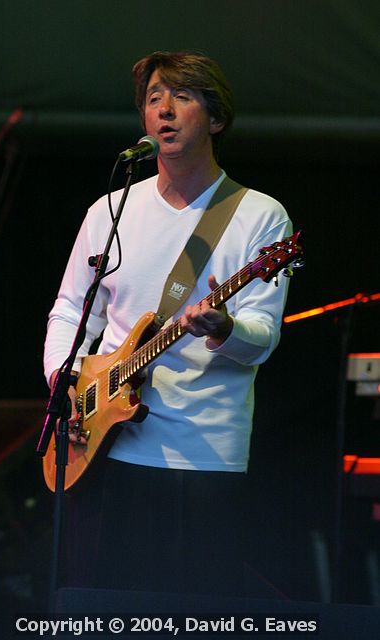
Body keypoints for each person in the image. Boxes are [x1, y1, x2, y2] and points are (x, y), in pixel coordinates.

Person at [44, 51, 292, 597]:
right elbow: (69, 310)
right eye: (154, 98)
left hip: (203, 455)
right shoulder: (110, 210)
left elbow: (263, 339)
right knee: (98, 610)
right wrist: (64, 384)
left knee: (192, 613)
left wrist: (223, 328)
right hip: (104, 447)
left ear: (216, 118)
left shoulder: (259, 216)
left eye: (182, 96)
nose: (165, 109)